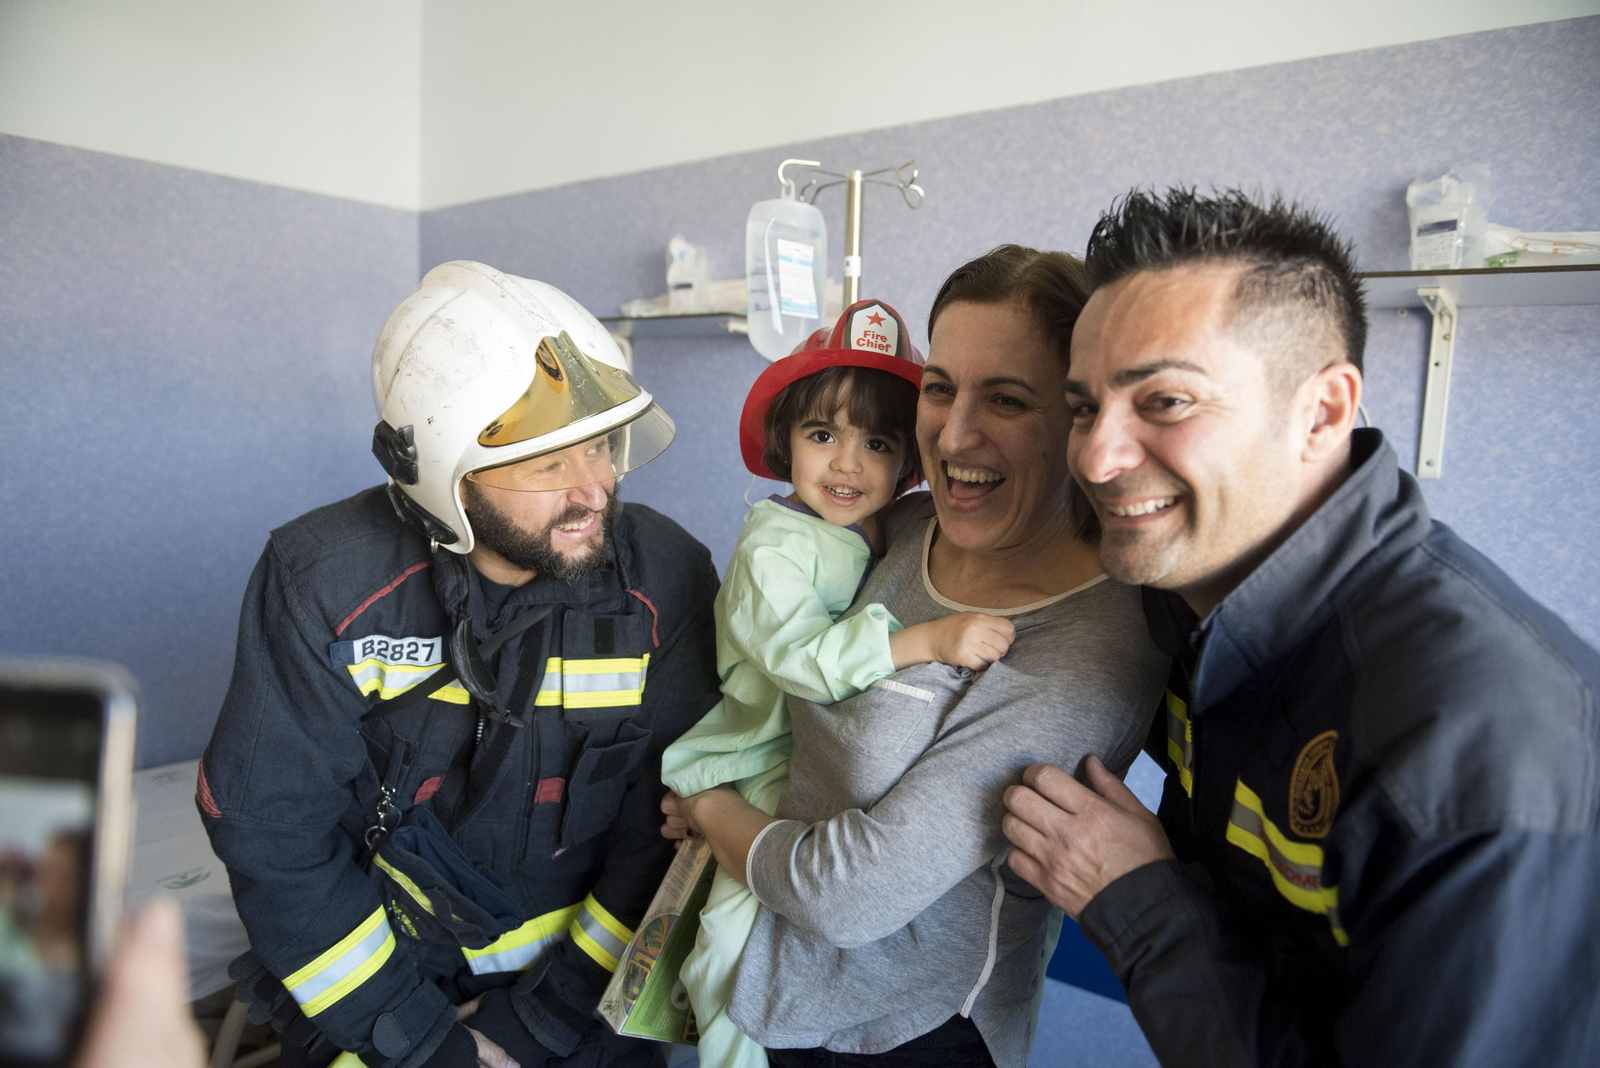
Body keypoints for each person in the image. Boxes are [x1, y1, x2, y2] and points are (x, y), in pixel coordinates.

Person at [1002, 188, 1600, 1067]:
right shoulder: (1186, 601)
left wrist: (1139, 903)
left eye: (1164, 402)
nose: (1095, 456)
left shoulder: (1482, 737)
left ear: (1322, 412)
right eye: (1086, 407)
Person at [199, 261, 722, 1068]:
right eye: (549, 464)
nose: (595, 492)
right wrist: (421, 1043)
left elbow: (668, 822)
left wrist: (548, 1018)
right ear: (443, 478)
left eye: (601, 447)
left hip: (587, 1005)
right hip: (378, 1004)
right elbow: (273, 833)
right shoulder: (327, 586)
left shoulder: (661, 578)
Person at [663, 246, 1169, 1068]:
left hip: (907, 1033)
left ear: (1079, 417)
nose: (954, 433)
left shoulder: (1089, 650)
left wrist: (713, 808)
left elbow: (850, 893)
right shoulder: (900, 530)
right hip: (777, 986)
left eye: (1005, 398)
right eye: (939, 388)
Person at [659, 299, 1016, 1068]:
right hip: (753, 761)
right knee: (729, 938)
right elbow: (805, 663)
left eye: (877, 443)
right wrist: (924, 640)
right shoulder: (773, 548)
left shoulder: (865, 526)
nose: (847, 465)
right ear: (786, 442)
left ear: (908, 464)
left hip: (804, 769)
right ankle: (728, 1049)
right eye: (822, 436)